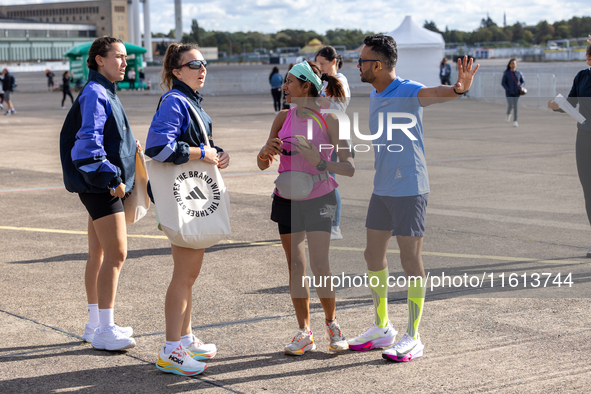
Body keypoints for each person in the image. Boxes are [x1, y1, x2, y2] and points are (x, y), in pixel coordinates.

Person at [348, 35, 478, 362]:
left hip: (410, 188)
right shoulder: (375, 92)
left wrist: (459, 88)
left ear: (377, 65)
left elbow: (434, 93)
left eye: (362, 61)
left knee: (409, 260)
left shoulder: (405, 90)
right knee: (372, 255)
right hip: (383, 189)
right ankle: (382, 328)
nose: (358, 66)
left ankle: (414, 336)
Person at [257, 60, 355, 356]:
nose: (284, 87)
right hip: (286, 197)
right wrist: (264, 153)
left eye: (289, 82)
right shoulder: (282, 117)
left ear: (305, 86)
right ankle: (304, 332)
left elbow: (349, 167)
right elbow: (262, 163)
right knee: (296, 267)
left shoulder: (331, 120)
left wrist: (320, 161)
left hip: (319, 197)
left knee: (320, 266)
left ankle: (332, 324)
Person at [145, 42, 229, 376]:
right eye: (194, 64)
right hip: (186, 197)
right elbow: (158, 146)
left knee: (188, 275)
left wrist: (216, 152)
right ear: (176, 71)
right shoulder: (176, 100)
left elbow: (193, 142)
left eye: (204, 63)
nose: (202, 69)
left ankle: (185, 338)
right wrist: (200, 154)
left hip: (190, 194)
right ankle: (170, 350)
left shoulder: (187, 101)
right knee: (184, 275)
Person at [59, 36, 137, 351]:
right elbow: (87, 145)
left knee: (99, 254)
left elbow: (108, 137)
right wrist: (111, 178)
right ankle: (105, 329)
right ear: (99, 60)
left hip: (93, 183)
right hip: (99, 184)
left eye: (125, 58)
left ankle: (94, 324)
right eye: (118, 56)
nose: (125, 62)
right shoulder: (96, 93)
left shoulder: (101, 91)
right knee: (117, 254)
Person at [548, 37, 591, 258]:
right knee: (588, 191)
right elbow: (571, 103)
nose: (588, 57)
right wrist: (557, 106)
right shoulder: (582, 77)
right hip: (584, 138)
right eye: (588, 55)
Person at [315, 46, 351, 240]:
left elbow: (339, 106)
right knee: (322, 178)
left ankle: (334, 225)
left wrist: (317, 99)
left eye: (323, 64)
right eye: (317, 64)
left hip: (333, 135)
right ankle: (324, 222)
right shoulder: (325, 82)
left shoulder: (339, 81)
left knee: (328, 179)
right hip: (322, 135)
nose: (320, 68)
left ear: (334, 62)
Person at [501, 58, 525, 127]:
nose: (513, 65)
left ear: (516, 64)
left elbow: (523, 81)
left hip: (517, 92)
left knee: (516, 107)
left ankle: (515, 120)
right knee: (511, 105)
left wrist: (521, 86)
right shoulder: (507, 73)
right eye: (511, 63)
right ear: (509, 65)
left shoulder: (519, 73)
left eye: (514, 63)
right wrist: (507, 89)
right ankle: (508, 114)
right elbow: (503, 82)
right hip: (509, 93)